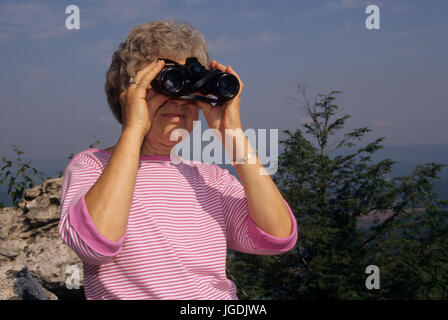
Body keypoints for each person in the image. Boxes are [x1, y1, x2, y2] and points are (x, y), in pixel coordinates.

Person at [58, 20, 297, 300]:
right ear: (127, 96)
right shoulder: (93, 166)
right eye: (166, 86)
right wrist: (134, 127)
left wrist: (233, 135)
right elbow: (94, 244)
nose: (180, 101)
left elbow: (277, 237)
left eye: (191, 91)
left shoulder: (211, 178)